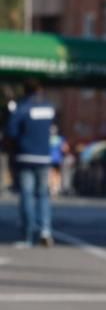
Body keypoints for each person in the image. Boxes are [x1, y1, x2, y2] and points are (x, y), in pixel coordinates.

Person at [4, 78, 56, 247]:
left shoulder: (22, 107)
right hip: (44, 156)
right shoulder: (49, 107)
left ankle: (28, 235)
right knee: (43, 194)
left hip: (25, 156)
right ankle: (45, 229)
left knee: (27, 194)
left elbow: (11, 131)